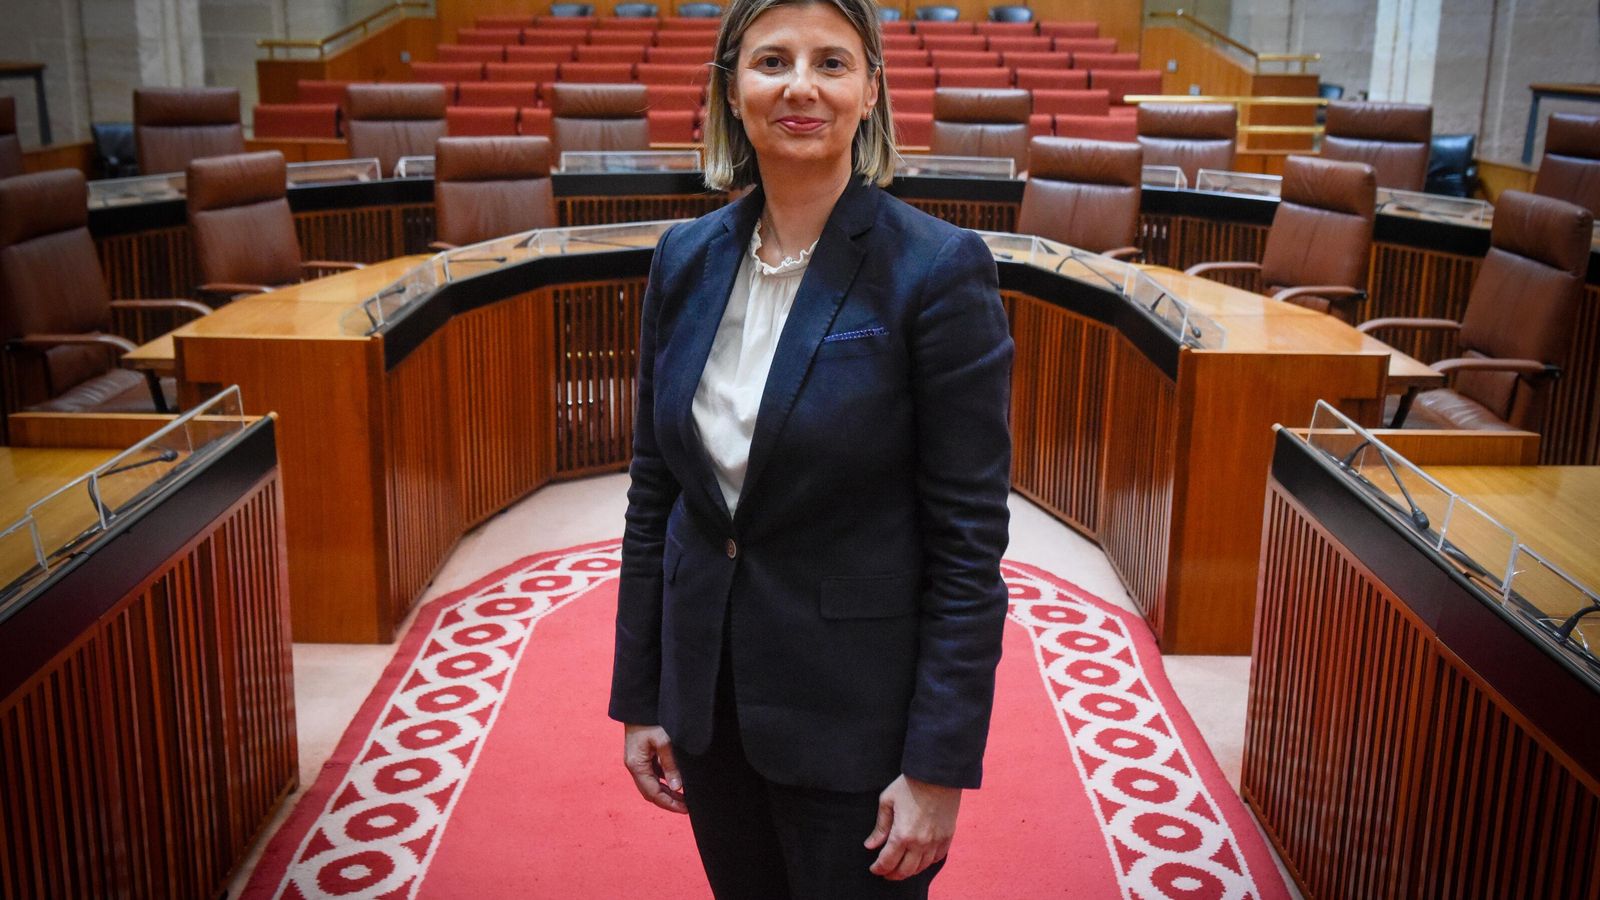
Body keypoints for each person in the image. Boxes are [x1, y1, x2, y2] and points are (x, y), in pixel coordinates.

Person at [607, 0, 1012, 894]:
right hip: (711, 709)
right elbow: (654, 492)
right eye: (771, 61)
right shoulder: (683, 258)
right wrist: (642, 694)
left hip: (856, 724)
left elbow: (968, 541)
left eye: (831, 63)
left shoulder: (937, 269)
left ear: (870, 90)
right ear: (732, 87)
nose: (800, 87)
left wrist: (939, 763)